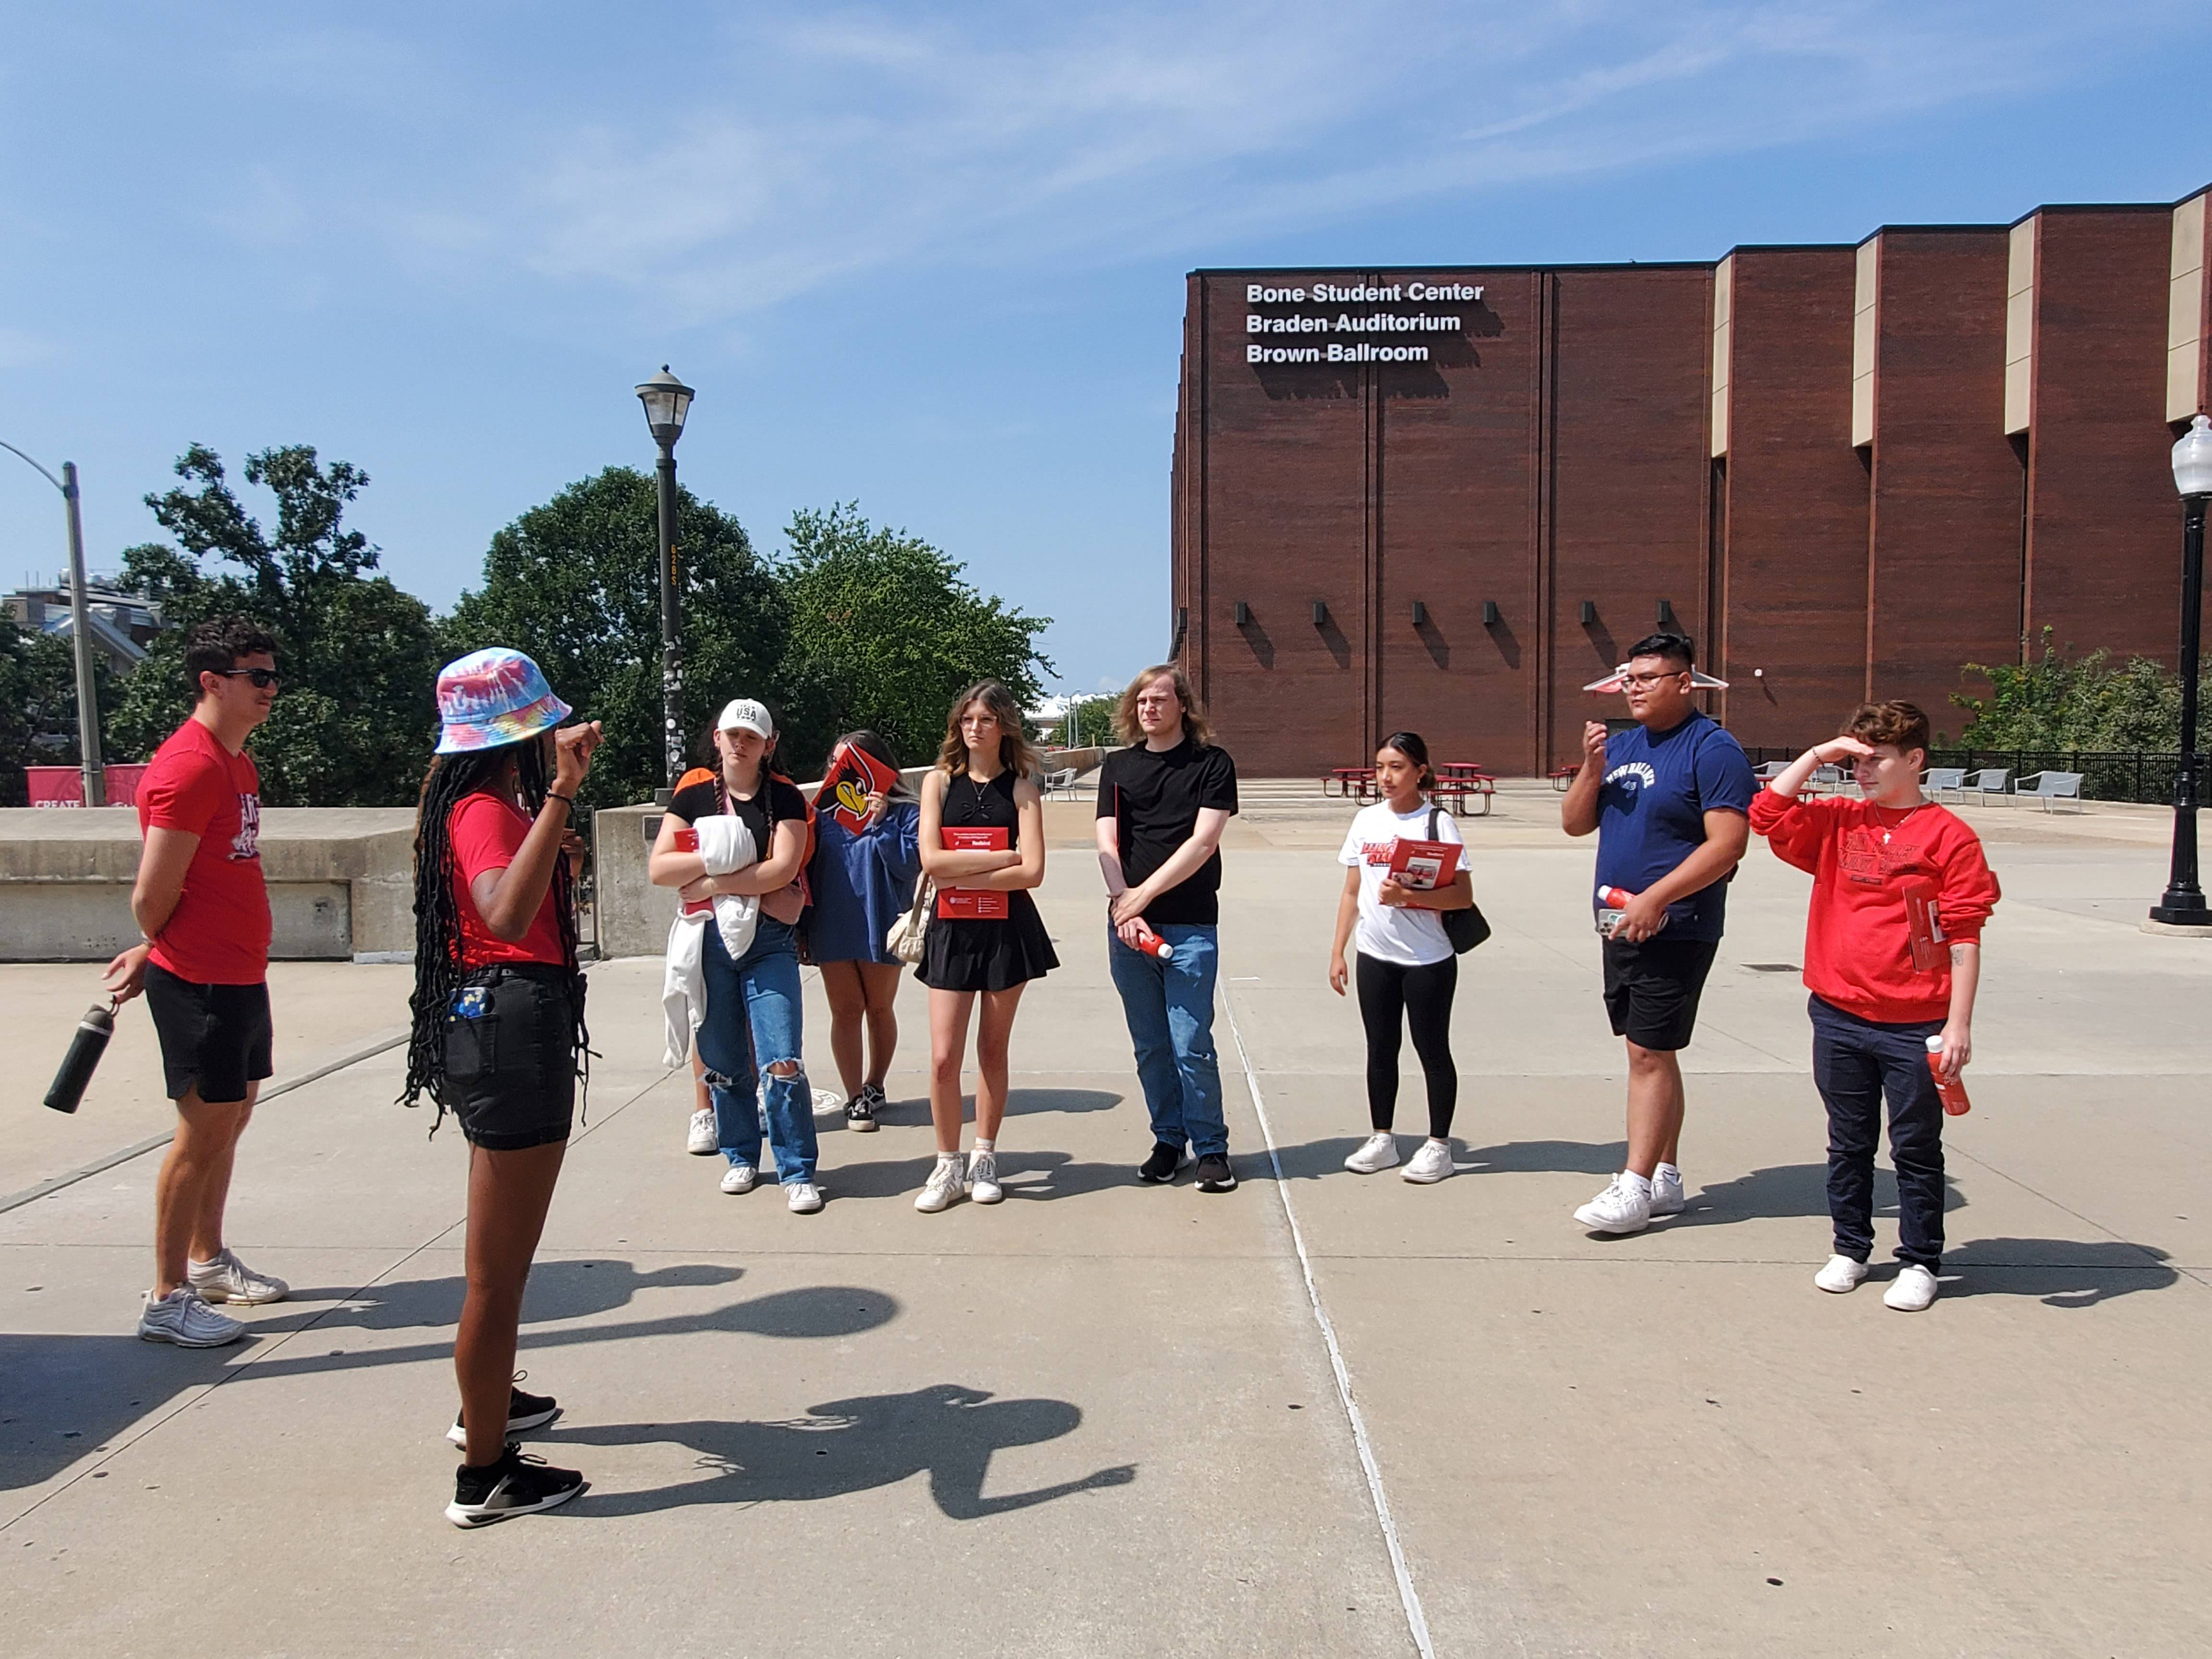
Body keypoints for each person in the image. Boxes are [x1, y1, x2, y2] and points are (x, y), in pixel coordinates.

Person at [399, 647, 601, 1527]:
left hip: (490, 1023)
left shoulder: (466, 800)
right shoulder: (487, 807)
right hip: (511, 1032)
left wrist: (552, 840)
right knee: (497, 1274)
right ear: (523, 733)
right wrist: (560, 794)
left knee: (497, 1267)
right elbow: (504, 914)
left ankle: (491, 1407)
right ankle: (485, 1473)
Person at [1751, 702, 2000, 1312]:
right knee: (1849, 1140)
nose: (1862, 770)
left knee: (1915, 1145)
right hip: (1838, 1012)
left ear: (1914, 760)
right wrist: (1817, 756)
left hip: (1915, 1020)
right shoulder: (1838, 821)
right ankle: (1851, 1247)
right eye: (1856, 758)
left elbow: (1965, 931)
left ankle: (1920, 1259)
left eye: (1876, 758)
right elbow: (1766, 815)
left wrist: (1958, 1023)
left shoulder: (1949, 837)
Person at [103, 617, 287, 1348]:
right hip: (202, 981)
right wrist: (156, 948)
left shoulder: (236, 763)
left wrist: (155, 945)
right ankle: (166, 1295)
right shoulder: (190, 768)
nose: (271, 690)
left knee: (231, 1118)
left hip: (239, 972)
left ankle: (207, 1262)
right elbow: (153, 894)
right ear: (212, 681)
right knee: (199, 1132)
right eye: (258, 678)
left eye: (273, 676)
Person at [1558, 631, 1754, 1234]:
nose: (1633, 688)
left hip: (1676, 926)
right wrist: (1592, 766)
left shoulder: (1713, 748)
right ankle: (1666, 1175)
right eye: (1629, 678)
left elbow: (1728, 843)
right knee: (1652, 1050)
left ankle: (1634, 1186)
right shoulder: (1622, 746)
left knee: (1647, 1051)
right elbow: (1574, 823)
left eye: (1647, 678)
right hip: (1618, 922)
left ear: (1684, 683)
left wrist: (1657, 898)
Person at [649, 699, 821, 1213]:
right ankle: (741, 1156)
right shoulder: (696, 793)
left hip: (768, 941)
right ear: (718, 739)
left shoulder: (784, 797)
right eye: (732, 734)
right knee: (722, 1059)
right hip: (708, 941)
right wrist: (728, 868)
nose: (740, 743)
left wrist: (709, 881)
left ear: (769, 745)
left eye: (752, 736)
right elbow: (660, 868)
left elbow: (783, 869)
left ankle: (797, 1169)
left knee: (782, 1057)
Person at [913, 681, 1056, 1212]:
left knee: (992, 1050)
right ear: (959, 726)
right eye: (968, 719)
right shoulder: (937, 784)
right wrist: (1003, 859)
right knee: (944, 1056)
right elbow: (932, 862)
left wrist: (966, 871)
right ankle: (947, 1165)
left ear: (1004, 728)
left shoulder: (1021, 788)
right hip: (951, 929)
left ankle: (984, 1157)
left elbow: (1035, 871)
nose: (976, 728)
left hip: (1006, 931)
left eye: (987, 720)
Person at [1096, 663, 1239, 1193]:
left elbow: (1202, 843)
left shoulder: (1212, 765)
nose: (1149, 708)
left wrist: (1141, 897)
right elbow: (1108, 844)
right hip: (1128, 928)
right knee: (1151, 1045)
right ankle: (1167, 1141)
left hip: (1190, 927)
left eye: (1159, 699)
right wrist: (1124, 908)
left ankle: (1212, 1149)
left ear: (1183, 706)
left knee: (1191, 1043)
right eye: (1141, 701)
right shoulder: (1118, 768)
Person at [1328, 733, 1476, 1186]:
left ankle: (1439, 1146)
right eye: (1380, 767)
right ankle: (1383, 1138)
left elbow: (1463, 896)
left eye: (1396, 767)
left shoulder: (1437, 824)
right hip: (1375, 954)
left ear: (1420, 772)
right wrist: (1338, 950)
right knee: (1380, 1049)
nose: (1386, 777)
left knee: (1432, 1050)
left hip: (1428, 958)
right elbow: (1352, 891)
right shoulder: (1366, 822)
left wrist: (1408, 895)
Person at [805, 730, 921, 1132]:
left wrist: (883, 820)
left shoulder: (906, 811)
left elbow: (911, 865)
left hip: (882, 919)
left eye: (850, 762)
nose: (840, 771)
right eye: (834, 763)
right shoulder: (818, 815)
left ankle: (875, 1083)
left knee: (878, 1007)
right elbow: (802, 870)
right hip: (832, 921)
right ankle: (854, 1096)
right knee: (845, 1009)